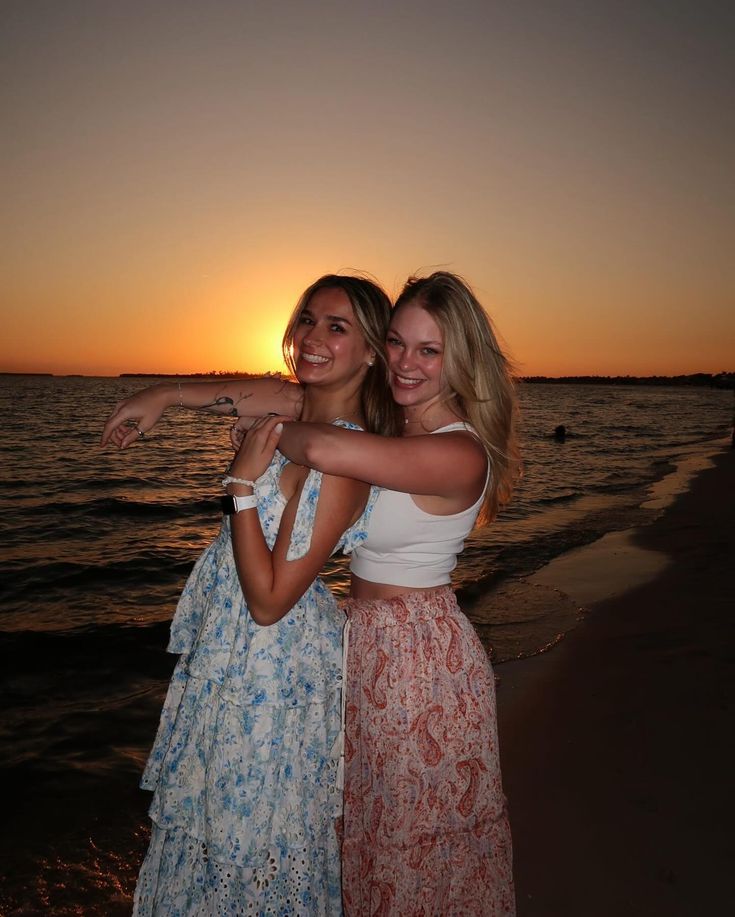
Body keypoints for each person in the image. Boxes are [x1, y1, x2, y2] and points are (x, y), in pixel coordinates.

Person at [109, 275, 399, 916]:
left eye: (337, 327)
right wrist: (159, 396)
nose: (313, 338)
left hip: (273, 661)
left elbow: (271, 598)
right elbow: (228, 390)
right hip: (231, 651)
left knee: (252, 833)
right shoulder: (293, 406)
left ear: (374, 351)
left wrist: (242, 487)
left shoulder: (343, 456)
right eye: (308, 319)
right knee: (212, 819)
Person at [263, 271, 519, 916]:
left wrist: (258, 440)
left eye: (429, 351)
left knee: (413, 847)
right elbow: (288, 402)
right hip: (368, 648)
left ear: (460, 360)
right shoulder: (389, 430)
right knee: (372, 838)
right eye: (398, 343)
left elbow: (320, 442)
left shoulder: (460, 453)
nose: (406, 363)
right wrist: (163, 396)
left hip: (419, 663)